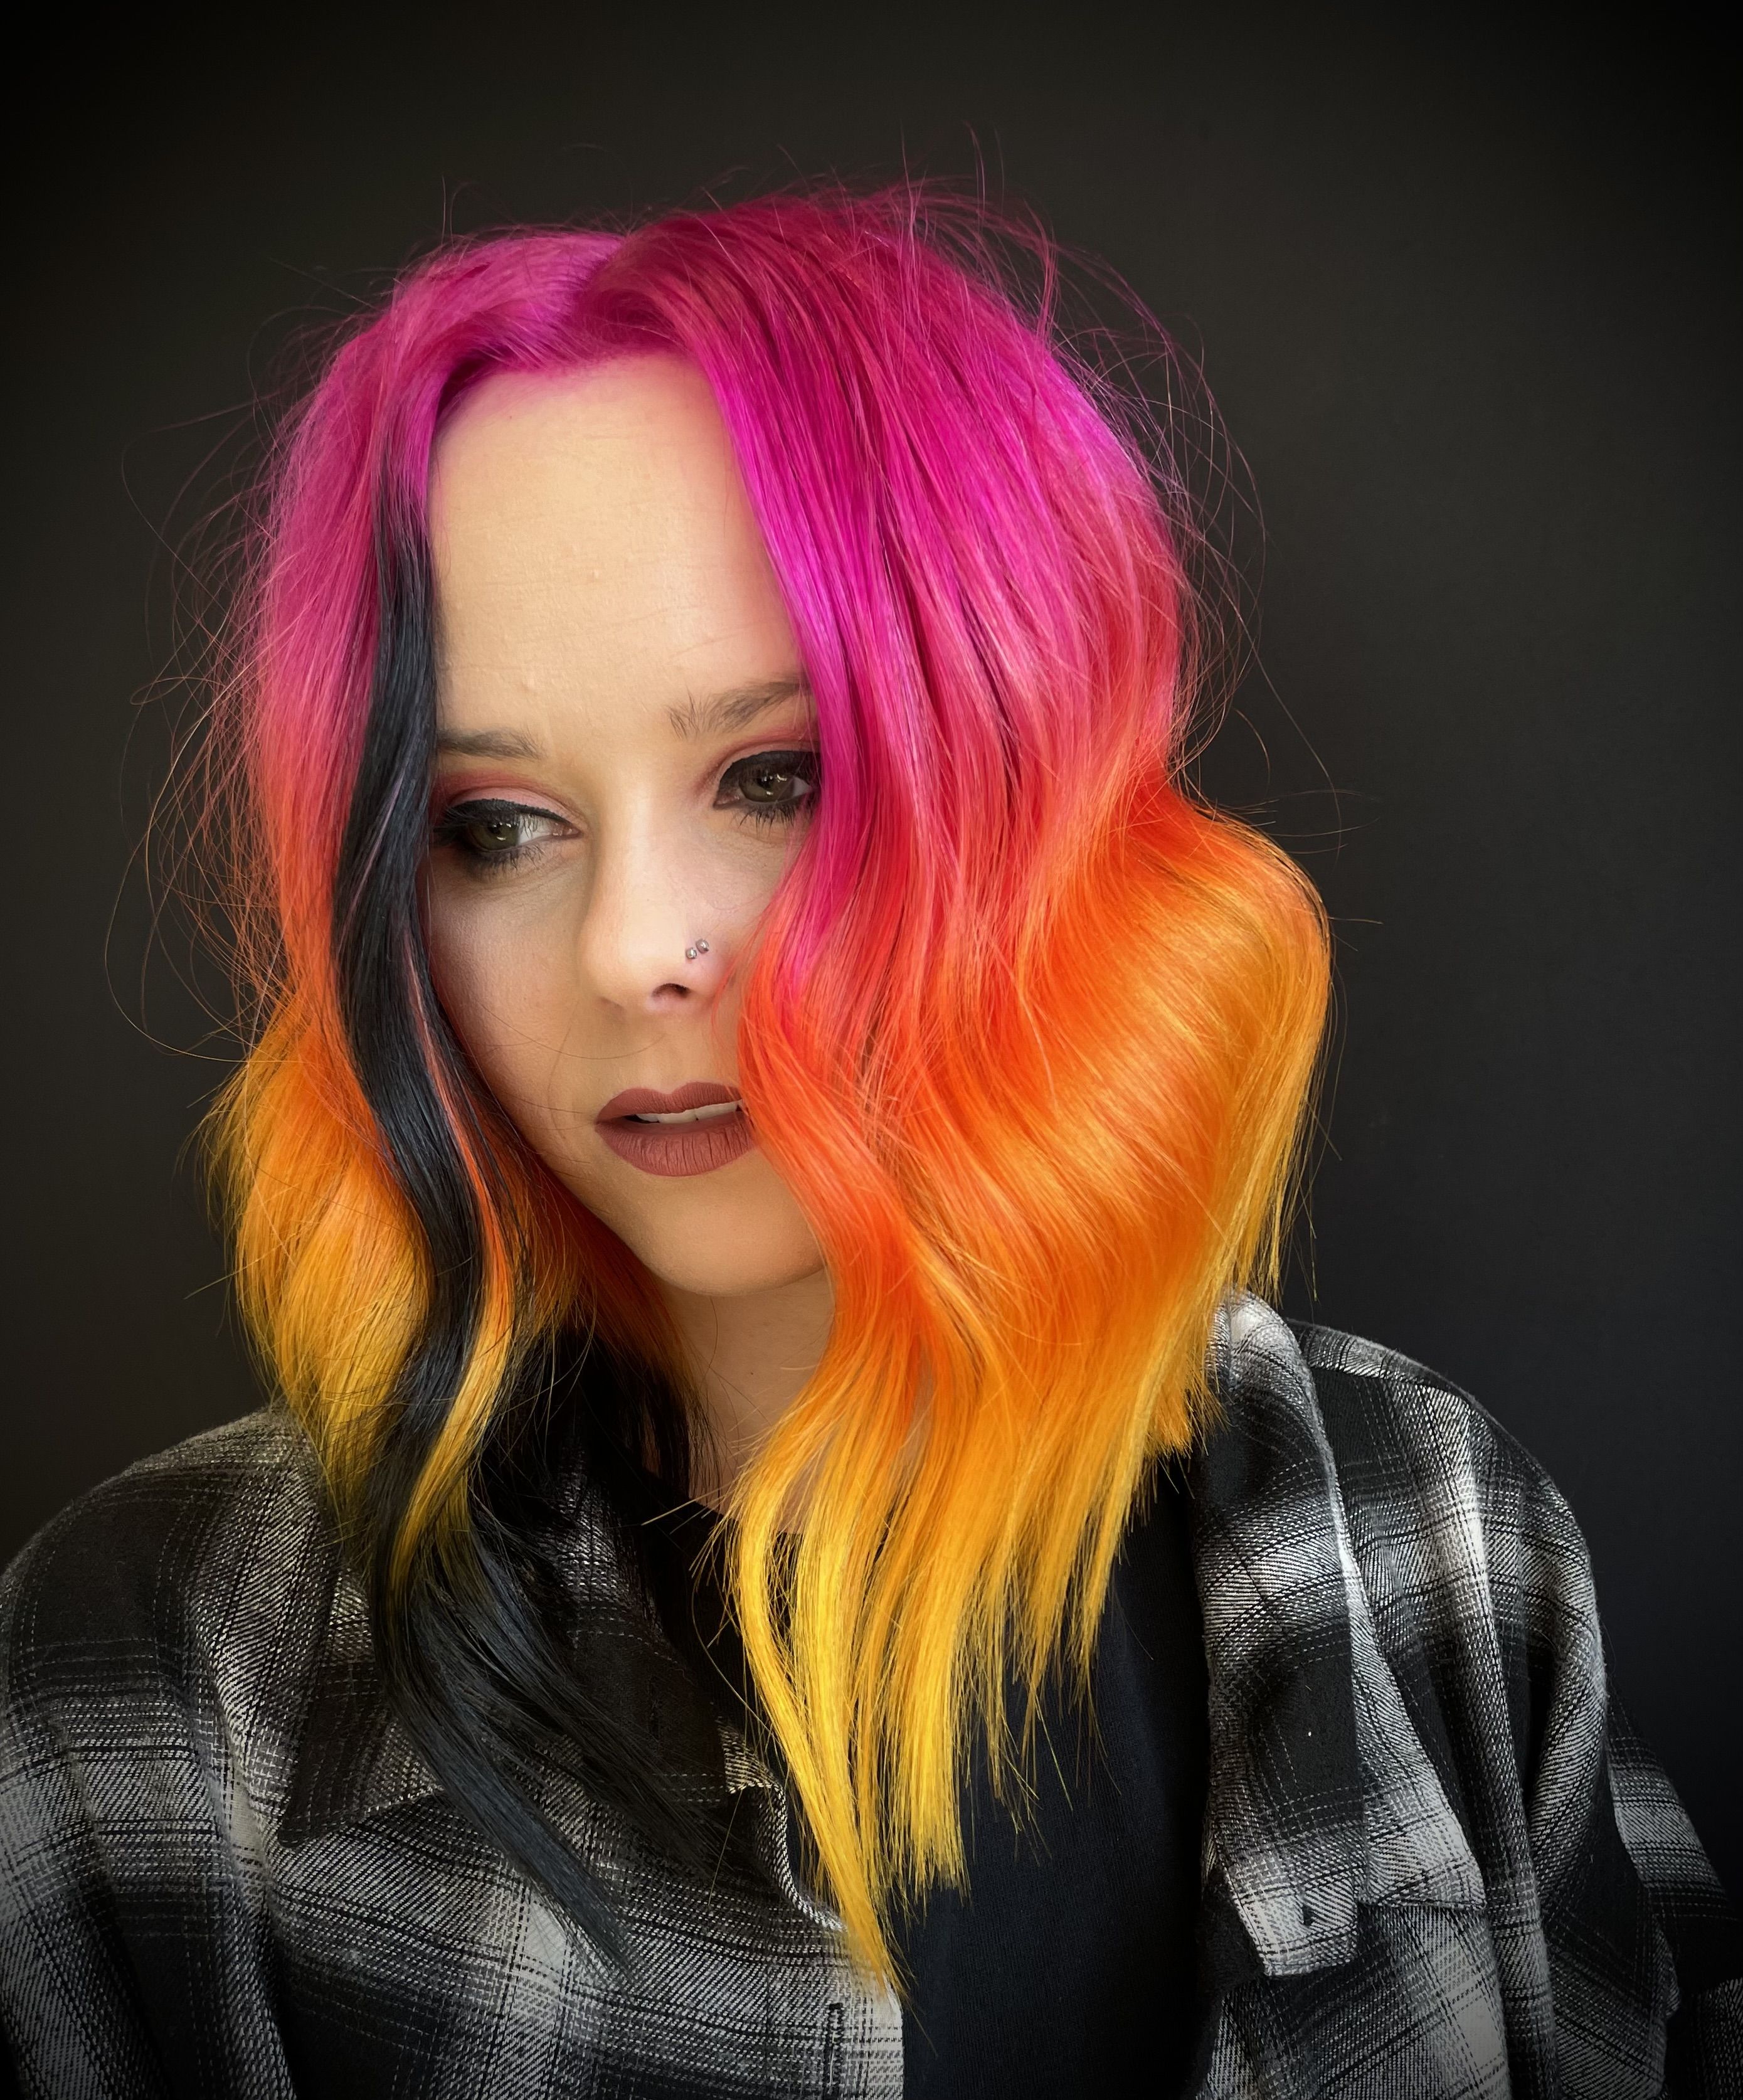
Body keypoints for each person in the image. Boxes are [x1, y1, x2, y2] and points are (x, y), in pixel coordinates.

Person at [0, 187, 1735, 2100]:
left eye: (775, 777)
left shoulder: (1434, 1537)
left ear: (1033, 786)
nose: (632, 950)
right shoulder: (152, 1672)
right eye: (492, 825)